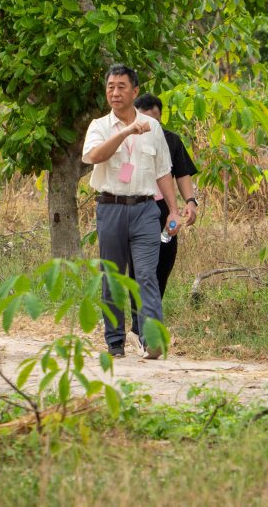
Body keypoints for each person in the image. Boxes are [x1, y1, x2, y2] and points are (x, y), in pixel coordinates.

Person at [82, 64, 180, 359]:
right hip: (110, 208)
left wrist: (173, 210)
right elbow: (93, 156)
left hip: (146, 209)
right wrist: (125, 132)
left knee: (147, 275)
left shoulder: (153, 128)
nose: (115, 92)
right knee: (112, 276)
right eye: (110, 86)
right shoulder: (99, 126)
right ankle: (115, 340)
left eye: (121, 86)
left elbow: (163, 171)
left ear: (134, 91)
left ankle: (152, 338)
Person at [129, 94, 198, 340]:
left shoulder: (171, 140)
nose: (150, 126)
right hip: (134, 208)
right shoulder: (127, 139)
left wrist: (190, 202)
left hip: (164, 211)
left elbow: (182, 174)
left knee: (164, 259)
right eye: (145, 120)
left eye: (155, 121)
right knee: (138, 268)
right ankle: (139, 326)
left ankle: (150, 317)